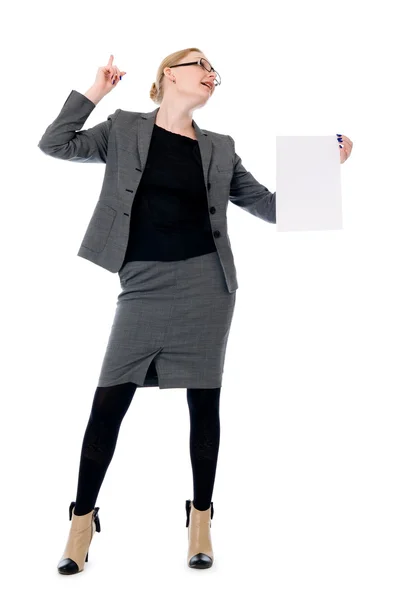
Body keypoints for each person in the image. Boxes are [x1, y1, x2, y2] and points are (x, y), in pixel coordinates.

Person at [37, 47, 277, 575]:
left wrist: (324, 166)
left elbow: (269, 205)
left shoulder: (221, 147)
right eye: (202, 65)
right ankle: (81, 522)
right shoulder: (123, 129)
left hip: (208, 285)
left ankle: (201, 520)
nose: (212, 75)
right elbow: (55, 144)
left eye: (217, 72)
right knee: (109, 403)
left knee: (204, 406)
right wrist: (96, 90)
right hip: (141, 284)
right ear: (170, 73)